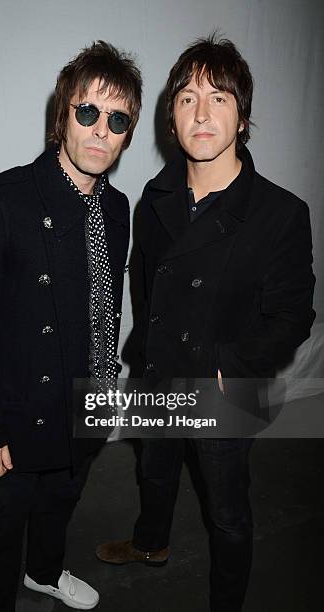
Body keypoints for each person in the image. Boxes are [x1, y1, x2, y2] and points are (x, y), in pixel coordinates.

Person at [96, 34, 315, 611]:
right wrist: (142, 351)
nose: (202, 112)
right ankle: (151, 544)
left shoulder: (281, 213)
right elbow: (142, 286)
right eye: (188, 97)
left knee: (228, 513)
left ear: (242, 117)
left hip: (222, 385)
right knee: (155, 470)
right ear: (171, 118)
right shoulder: (155, 196)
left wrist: (232, 367)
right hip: (159, 373)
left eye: (219, 98)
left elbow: (294, 314)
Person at [0, 40, 142, 611]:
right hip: (15, 414)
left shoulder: (117, 208)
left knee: (61, 502)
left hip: (85, 399)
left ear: (128, 132)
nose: (100, 130)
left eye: (117, 119)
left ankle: (45, 571)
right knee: (5, 523)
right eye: (88, 111)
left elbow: (103, 308)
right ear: (63, 115)